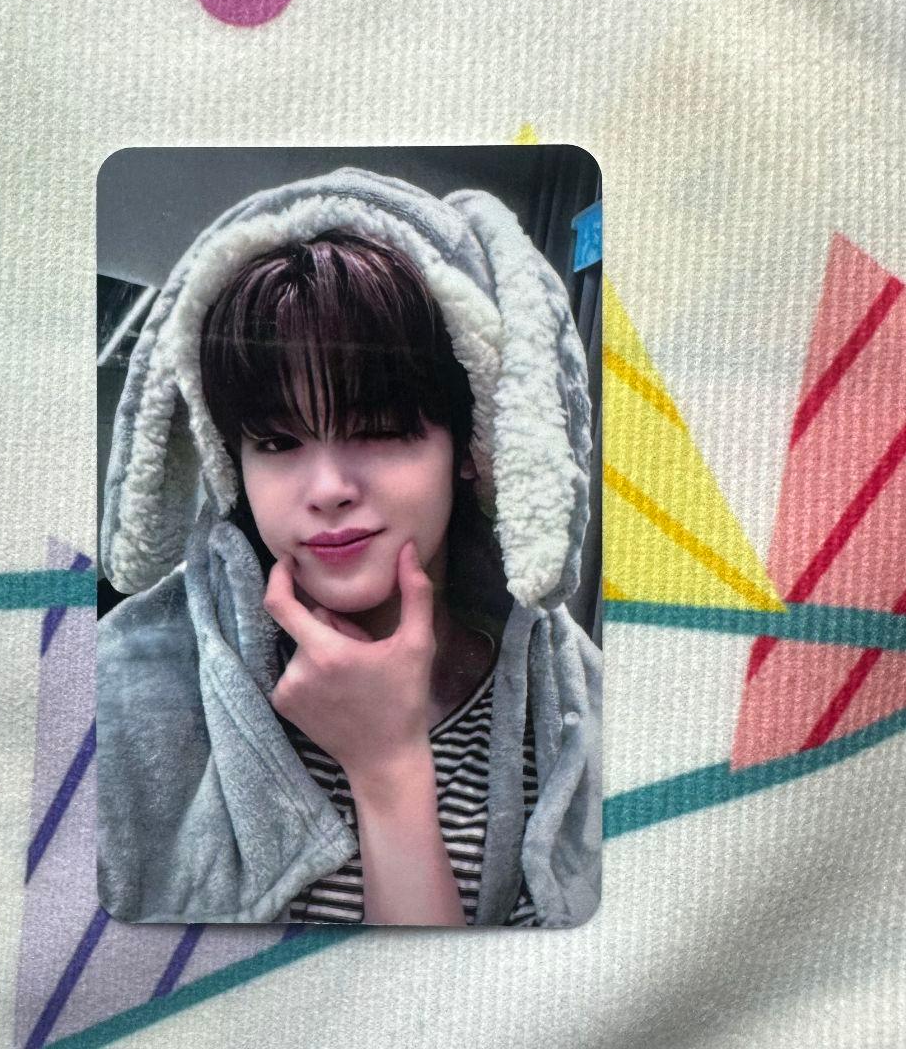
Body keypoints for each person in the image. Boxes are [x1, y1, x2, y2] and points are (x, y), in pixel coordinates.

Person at [97, 166, 601, 927]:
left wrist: (387, 767)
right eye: (277, 441)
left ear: (470, 447)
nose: (328, 487)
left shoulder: (575, 712)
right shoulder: (113, 691)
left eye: (379, 429)